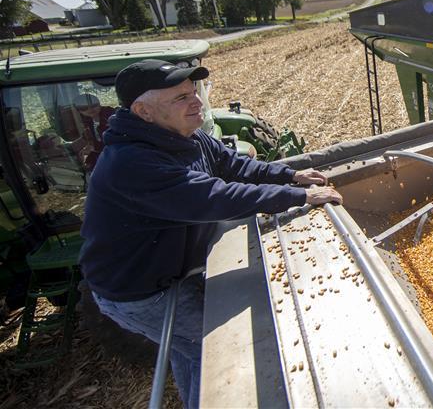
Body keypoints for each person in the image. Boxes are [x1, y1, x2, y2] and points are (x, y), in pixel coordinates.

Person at [79, 59, 342, 409]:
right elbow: (216, 197)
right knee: (216, 348)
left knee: (188, 348)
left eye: (194, 92)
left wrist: (290, 176)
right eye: (181, 97)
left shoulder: (183, 136)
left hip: (167, 271)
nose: (196, 103)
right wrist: (300, 198)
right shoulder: (131, 164)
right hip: (138, 292)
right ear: (143, 111)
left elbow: (233, 165)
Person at [71, 93, 114, 171]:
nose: (90, 109)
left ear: (99, 104)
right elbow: (85, 137)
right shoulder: (88, 120)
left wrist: (94, 148)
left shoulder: (111, 116)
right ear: (79, 111)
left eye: (94, 105)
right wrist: (67, 148)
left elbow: (115, 140)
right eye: (84, 108)